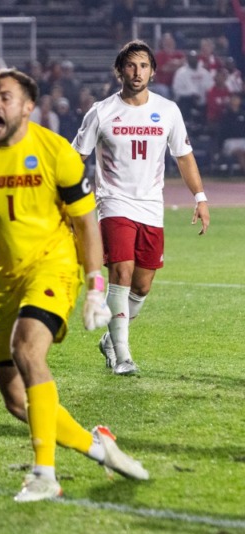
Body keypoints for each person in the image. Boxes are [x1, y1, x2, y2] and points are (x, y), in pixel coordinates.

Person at [0, 68, 149, 502]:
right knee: (17, 401)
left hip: (54, 267)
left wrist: (95, 287)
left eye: (4, 97)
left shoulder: (57, 152)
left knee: (27, 349)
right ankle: (99, 447)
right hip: (8, 280)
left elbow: (85, 223)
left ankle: (43, 475)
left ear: (27, 107)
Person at [73, 40, 210, 376]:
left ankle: (110, 339)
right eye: (131, 66)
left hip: (151, 206)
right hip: (113, 203)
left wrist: (201, 198)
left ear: (152, 70)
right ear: (120, 70)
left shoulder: (168, 110)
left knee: (143, 285)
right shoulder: (101, 111)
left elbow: (184, 156)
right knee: (120, 274)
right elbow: (76, 158)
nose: (137, 73)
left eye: (144, 66)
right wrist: (69, 203)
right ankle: (122, 356)